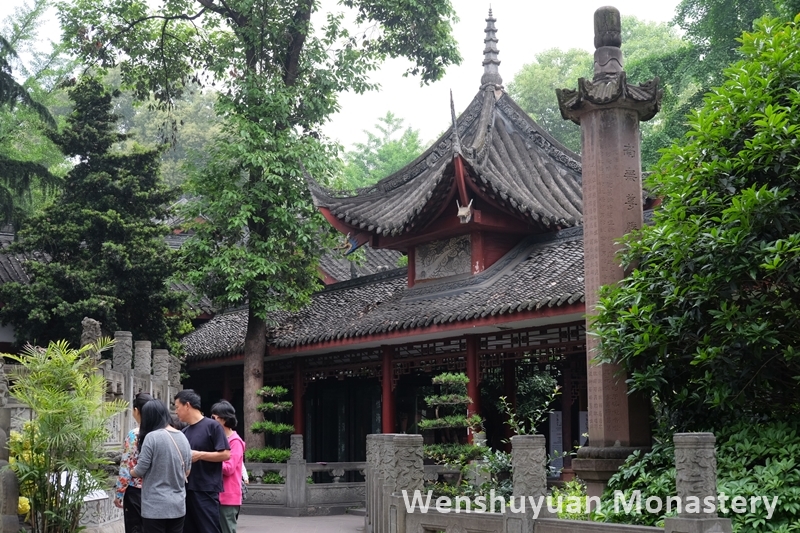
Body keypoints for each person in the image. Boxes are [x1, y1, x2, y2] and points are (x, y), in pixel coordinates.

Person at [131, 399, 192, 533]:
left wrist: (131, 472)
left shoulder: (152, 437)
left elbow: (141, 469)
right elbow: (187, 471)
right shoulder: (182, 436)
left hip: (155, 506)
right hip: (178, 504)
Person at [174, 389, 230, 533]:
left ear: (187, 405)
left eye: (177, 407)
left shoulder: (213, 426)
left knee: (209, 528)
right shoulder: (184, 432)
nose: (176, 411)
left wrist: (200, 455)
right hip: (187, 488)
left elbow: (225, 454)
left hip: (206, 488)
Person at [114, 392, 153, 533]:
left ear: (136, 410)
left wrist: (119, 493)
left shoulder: (134, 435)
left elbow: (126, 465)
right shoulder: (161, 433)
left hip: (136, 490)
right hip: (156, 490)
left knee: (135, 528)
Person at [210, 401, 246, 533]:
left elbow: (229, 468)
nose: (211, 421)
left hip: (228, 496)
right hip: (217, 494)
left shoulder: (235, 442)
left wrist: (209, 459)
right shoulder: (219, 438)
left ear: (223, 419)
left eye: (214, 418)